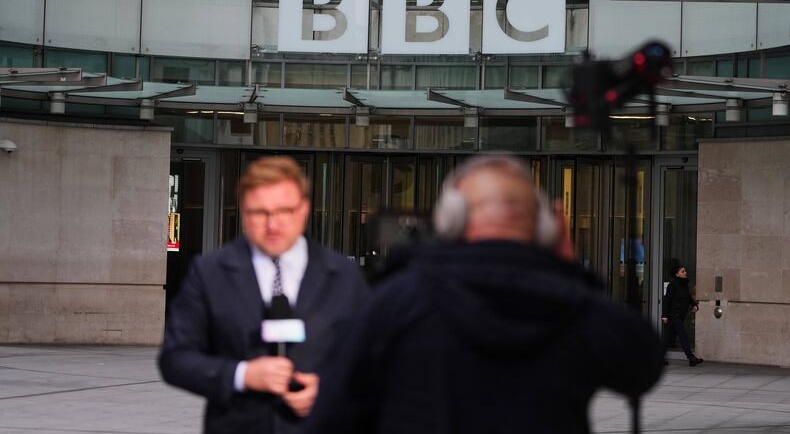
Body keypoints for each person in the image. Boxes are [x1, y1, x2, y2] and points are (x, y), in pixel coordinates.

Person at [301, 154, 664, 434]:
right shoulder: (575, 305)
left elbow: (331, 416)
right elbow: (643, 367)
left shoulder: (397, 300)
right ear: (546, 227)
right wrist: (569, 268)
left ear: (450, 220)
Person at [159, 156, 369, 434]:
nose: (273, 225)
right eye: (260, 213)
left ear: (304, 209)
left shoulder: (344, 275)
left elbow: (374, 358)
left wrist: (329, 388)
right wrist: (242, 375)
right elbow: (175, 358)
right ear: (244, 213)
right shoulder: (209, 272)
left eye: (284, 211)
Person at [661, 265, 703, 366]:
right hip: (674, 314)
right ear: (677, 274)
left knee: (668, 338)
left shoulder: (684, 285)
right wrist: (664, 315)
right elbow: (667, 300)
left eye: (685, 271)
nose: (685, 272)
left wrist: (694, 305)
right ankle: (691, 358)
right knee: (683, 335)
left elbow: (688, 298)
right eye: (683, 271)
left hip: (680, 315)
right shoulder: (672, 285)